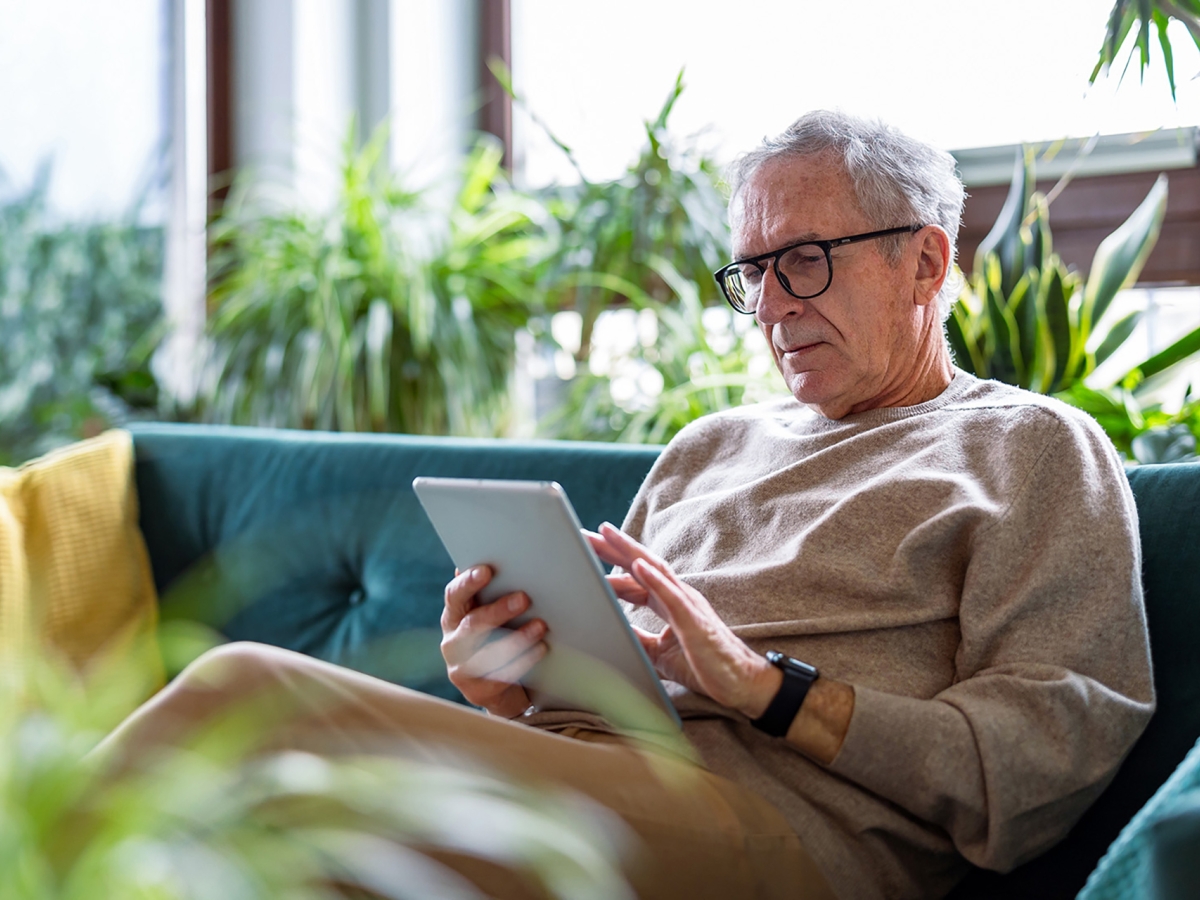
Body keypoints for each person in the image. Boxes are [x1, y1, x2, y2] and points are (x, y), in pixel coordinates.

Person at [96, 111, 1154, 900]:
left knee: (243, 694)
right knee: (258, 841)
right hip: (615, 791)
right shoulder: (712, 447)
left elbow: (1035, 765)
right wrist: (506, 685)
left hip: (793, 839)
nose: (775, 305)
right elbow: (609, 699)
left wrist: (766, 690)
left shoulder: (1032, 450)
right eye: (753, 273)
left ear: (924, 261)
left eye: (806, 262)